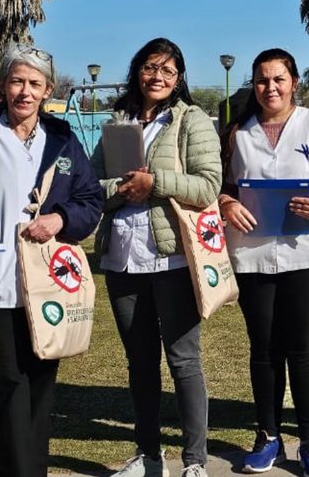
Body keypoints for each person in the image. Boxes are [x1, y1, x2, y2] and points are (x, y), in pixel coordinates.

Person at [0, 43, 103, 477]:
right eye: (16, 81)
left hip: (47, 285)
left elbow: (90, 201)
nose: (24, 92)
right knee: (8, 385)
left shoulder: (63, 141)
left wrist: (60, 218)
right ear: (1, 87)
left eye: (34, 83)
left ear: (47, 90)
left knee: (42, 386)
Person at [218, 48, 309, 477]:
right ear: (253, 84)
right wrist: (225, 203)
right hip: (253, 254)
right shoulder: (238, 132)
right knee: (263, 349)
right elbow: (221, 186)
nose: (270, 87)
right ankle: (268, 437)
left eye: (279, 79)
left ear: (294, 81)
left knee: (304, 347)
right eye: (262, 80)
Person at [90, 38, 220, 477]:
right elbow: (91, 188)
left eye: (167, 69)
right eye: (149, 67)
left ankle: (195, 461)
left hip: (174, 260)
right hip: (122, 260)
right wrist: (121, 190)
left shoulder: (192, 120)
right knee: (140, 362)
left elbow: (207, 187)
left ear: (179, 77)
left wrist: (156, 183)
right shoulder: (117, 124)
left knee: (184, 361)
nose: (157, 76)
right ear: (137, 72)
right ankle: (148, 457)